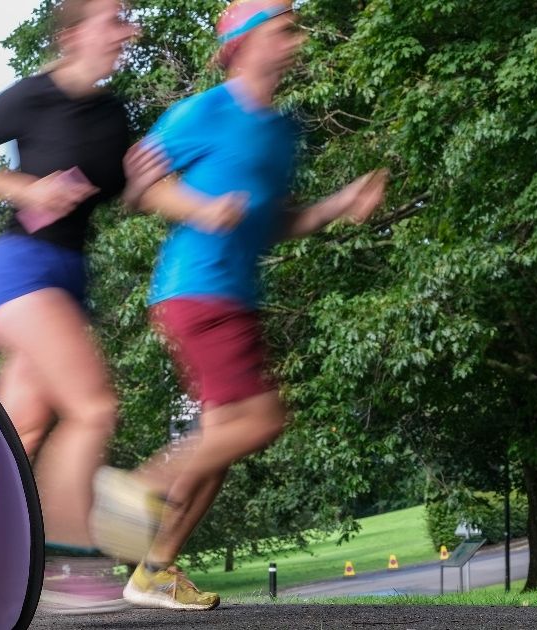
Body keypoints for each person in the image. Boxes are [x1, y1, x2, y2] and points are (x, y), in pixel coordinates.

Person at [90, 0, 389, 610]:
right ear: (247, 43)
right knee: (262, 421)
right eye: (284, 28)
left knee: (222, 444)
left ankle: (153, 571)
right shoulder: (205, 110)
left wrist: (339, 203)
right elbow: (138, 185)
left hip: (237, 297)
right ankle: (134, 491)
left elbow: (274, 222)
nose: (296, 38)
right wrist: (201, 208)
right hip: (196, 289)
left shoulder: (283, 133)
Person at [0, 0, 158, 614]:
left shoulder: (114, 114)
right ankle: (67, 562)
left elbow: (125, 194)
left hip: (67, 283)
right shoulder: (31, 97)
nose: (128, 31)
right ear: (72, 35)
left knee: (17, 434)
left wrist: (145, 183)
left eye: (127, 19)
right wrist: (25, 187)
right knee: (92, 408)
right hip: (19, 273)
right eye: (114, 20)